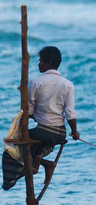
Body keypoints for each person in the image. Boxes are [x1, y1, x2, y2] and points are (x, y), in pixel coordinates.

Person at [3, 46, 79, 190]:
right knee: (39, 144)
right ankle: (43, 162)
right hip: (59, 133)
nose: (38, 64)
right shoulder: (68, 85)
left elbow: (29, 110)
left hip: (43, 131)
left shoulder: (36, 82)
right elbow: (70, 113)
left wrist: (31, 114)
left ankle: (10, 182)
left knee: (11, 151)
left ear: (49, 63)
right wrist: (75, 132)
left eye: (40, 61)